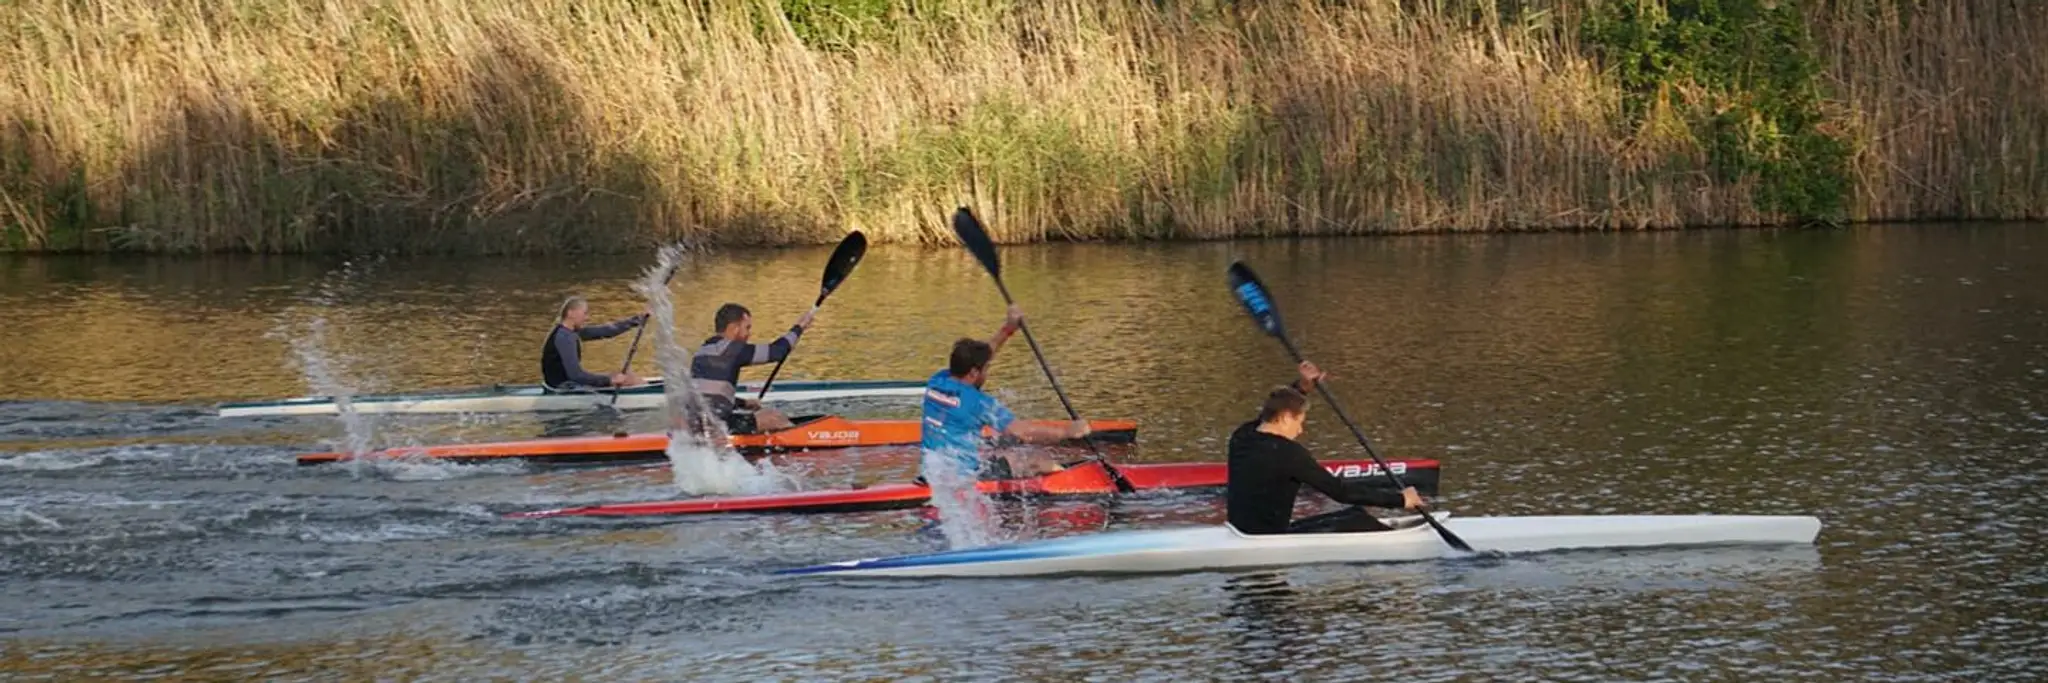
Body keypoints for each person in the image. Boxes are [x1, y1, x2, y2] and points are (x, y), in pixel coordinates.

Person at [1226, 360, 1426, 534]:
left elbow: (1273, 409)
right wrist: (1399, 500)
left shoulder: (1243, 435)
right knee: (1356, 520)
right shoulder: (1288, 454)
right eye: (1300, 422)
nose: (1300, 430)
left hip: (1241, 531)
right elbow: (1340, 492)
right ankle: (1402, 539)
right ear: (1286, 418)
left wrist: (1302, 387)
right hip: (1271, 540)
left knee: (1354, 514)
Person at [919, 304, 1091, 483]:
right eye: (986, 369)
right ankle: (1075, 482)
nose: (987, 373)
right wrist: (1067, 431)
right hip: (964, 479)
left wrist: (1008, 328)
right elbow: (1022, 432)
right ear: (973, 373)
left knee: (1001, 448)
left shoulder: (937, 380)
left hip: (931, 472)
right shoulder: (979, 403)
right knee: (1036, 459)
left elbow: (985, 353)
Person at [691, 302, 813, 434]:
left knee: (759, 419)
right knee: (774, 417)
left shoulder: (702, 351)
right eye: (747, 328)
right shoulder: (731, 350)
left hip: (697, 424)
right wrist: (799, 327)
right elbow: (778, 351)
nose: (749, 334)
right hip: (717, 426)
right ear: (735, 328)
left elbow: (710, 398)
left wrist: (744, 403)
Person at [540, 296, 649, 392]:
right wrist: (609, 380)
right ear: (571, 313)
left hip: (566, 383)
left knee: (628, 377)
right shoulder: (564, 337)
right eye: (584, 313)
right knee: (629, 380)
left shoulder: (571, 332)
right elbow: (576, 375)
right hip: (562, 387)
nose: (586, 318)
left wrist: (638, 319)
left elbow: (607, 331)